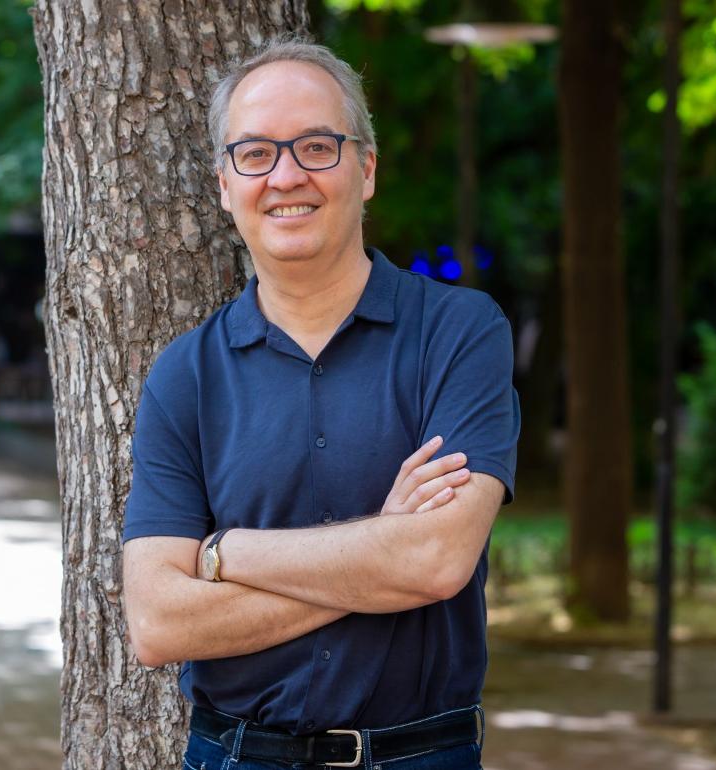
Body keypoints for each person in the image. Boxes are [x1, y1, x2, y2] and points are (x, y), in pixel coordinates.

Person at [121, 38, 520, 770]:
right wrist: (379, 558)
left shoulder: (460, 334)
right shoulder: (184, 376)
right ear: (223, 184)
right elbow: (157, 622)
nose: (285, 176)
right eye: (255, 154)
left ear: (365, 169)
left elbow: (434, 561)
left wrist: (226, 555)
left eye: (316, 146)